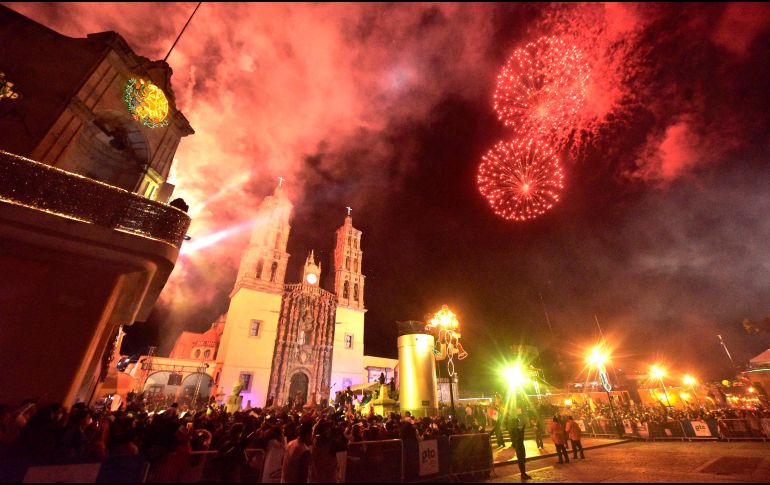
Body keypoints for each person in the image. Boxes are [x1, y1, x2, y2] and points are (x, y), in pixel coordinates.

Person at [509, 412, 532, 480]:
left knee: (522, 459)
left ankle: (523, 473)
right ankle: (523, 474)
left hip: (519, 445)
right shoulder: (514, 429)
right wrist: (522, 430)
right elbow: (518, 438)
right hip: (518, 445)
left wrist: (522, 430)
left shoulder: (515, 429)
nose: (518, 423)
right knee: (521, 460)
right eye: (517, 422)